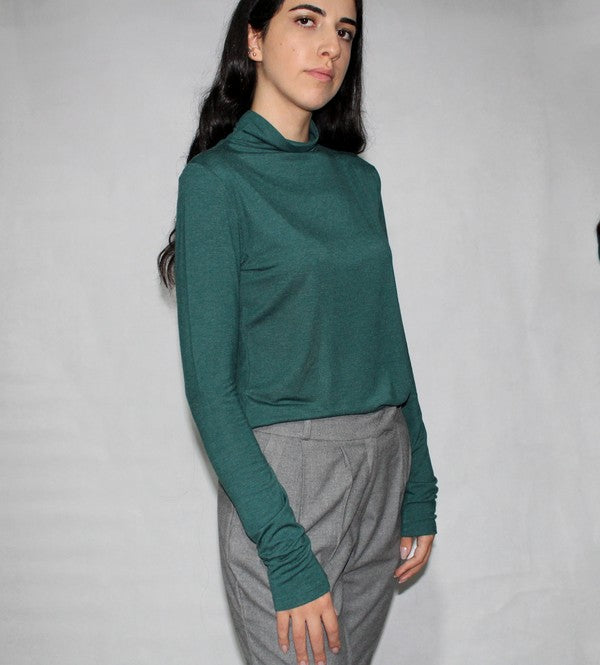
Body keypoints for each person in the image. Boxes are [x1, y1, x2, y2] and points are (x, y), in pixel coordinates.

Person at [157, 1, 438, 663]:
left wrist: (419, 488)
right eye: (307, 21)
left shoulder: (359, 181)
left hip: (384, 459)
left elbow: (389, 342)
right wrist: (284, 551)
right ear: (254, 39)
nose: (331, 46)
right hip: (289, 480)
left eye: (345, 31)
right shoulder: (215, 183)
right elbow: (211, 390)